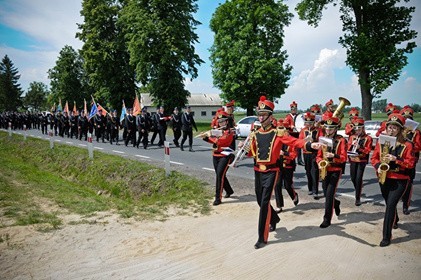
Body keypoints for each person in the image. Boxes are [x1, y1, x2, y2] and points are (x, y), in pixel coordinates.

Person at [240, 96, 322, 249]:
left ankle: (262, 237)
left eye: (264, 115)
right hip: (258, 170)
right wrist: (242, 149)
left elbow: (294, 142)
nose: (261, 117)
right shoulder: (255, 133)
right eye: (260, 114)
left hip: (272, 171)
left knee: (264, 202)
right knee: (259, 201)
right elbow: (253, 153)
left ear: (271, 117)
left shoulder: (278, 133)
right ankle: (275, 219)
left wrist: (310, 144)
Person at [371, 113, 415, 247]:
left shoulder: (407, 145)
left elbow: (411, 163)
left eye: (395, 128)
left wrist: (397, 160)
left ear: (400, 130)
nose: (391, 130)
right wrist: (378, 166)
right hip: (385, 177)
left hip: (400, 179)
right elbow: (374, 158)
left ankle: (386, 237)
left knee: (390, 206)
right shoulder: (382, 141)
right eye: (389, 127)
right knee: (389, 204)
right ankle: (394, 220)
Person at [316, 115, 347, 228]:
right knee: (326, 194)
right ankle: (336, 203)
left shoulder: (341, 140)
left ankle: (327, 219)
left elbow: (344, 157)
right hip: (325, 169)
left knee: (329, 195)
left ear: (335, 129)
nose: (328, 130)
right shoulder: (322, 139)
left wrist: (334, 155)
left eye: (331, 128)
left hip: (335, 169)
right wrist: (320, 162)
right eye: (327, 128)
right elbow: (318, 156)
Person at [202, 111, 236, 205]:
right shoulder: (216, 130)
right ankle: (229, 191)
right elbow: (213, 142)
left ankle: (218, 198)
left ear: (226, 121)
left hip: (225, 156)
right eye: (220, 121)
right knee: (220, 175)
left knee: (219, 176)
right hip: (215, 155)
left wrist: (209, 137)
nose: (221, 123)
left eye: (223, 121)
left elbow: (221, 141)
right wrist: (205, 138)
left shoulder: (230, 131)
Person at [274, 119, 299, 213]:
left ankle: (294, 196)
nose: (281, 131)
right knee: (277, 185)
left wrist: (284, 153)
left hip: (288, 166)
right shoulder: (276, 139)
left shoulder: (291, 140)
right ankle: (279, 205)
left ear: (287, 130)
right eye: (278, 128)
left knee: (288, 185)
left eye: (282, 129)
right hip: (278, 166)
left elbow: (294, 155)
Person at [347, 117, 373, 206]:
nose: (357, 131)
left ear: (363, 128)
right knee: (353, 178)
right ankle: (358, 189)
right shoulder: (352, 137)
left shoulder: (368, 138)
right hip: (353, 159)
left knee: (358, 178)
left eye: (359, 129)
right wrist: (351, 145)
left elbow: (368, 150)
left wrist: (360, 148)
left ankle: (357, 198)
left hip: (362, 159)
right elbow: (347, 148)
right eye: (356, 129)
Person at [400, 106, 420, 215]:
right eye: (405, 118)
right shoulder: (398, 130)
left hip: (410, 161)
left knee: (409, 182)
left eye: (409, 118)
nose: (407, 120)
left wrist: (409, 143)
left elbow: (418, 146)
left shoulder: (416, 132)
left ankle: (405, 205)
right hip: (397, 159)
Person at [299, 112, 324, 198]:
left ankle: (315, 191)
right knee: (308, 171)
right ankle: (310, 188)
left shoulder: (318, 130)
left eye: (311, 123)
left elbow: (321, 141)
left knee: (315, 172)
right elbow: (299, 141)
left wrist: (314, 140)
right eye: (307, 123)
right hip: (306, 153)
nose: (309, 124)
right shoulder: (303, 130)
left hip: (314, 153)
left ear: (314, 122)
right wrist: (305, 140)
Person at [284, 101, 304, 166]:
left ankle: (299, 160)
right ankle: (292, 159)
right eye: (293, 109)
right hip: (291, 133)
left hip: (298, 133)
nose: (294, 110)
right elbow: (285, 124)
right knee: (291, 147)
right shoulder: (288, 116)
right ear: (291, 109)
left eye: (295, 109)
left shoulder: (299, 116)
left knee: (299, 147)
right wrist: (290, 126)